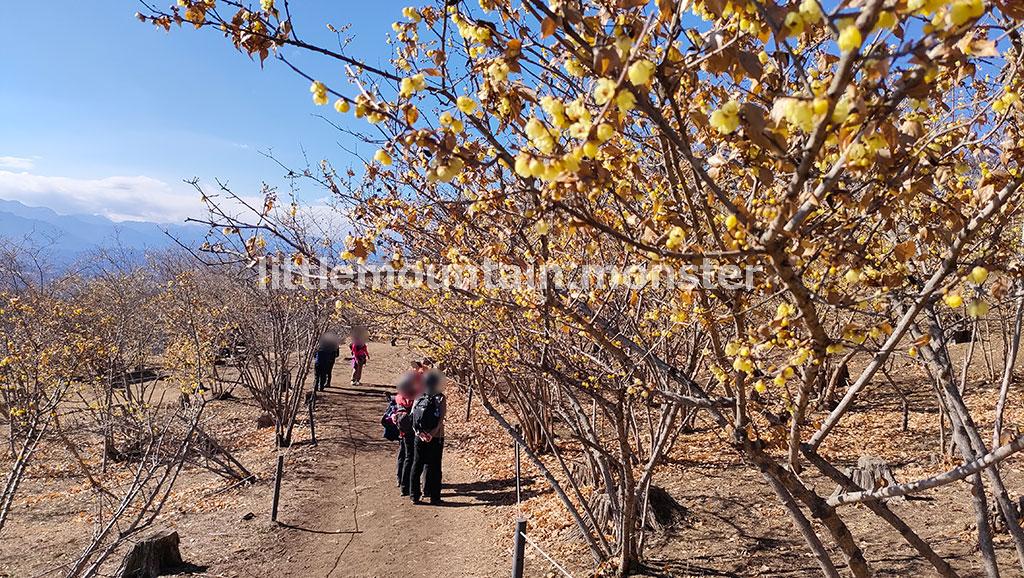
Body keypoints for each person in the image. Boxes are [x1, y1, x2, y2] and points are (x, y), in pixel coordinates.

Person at [410, 371, 446, 505]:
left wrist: (419, 433)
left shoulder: (419, 396)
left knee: (417, 464)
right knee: (435, 466)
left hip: (419, 437)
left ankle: (414, 495)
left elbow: (413, 416)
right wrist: (431, 433)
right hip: (436, 437)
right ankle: (434, 496)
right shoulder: (440, 397)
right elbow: (441, 419)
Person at [392, 375, 417, 495]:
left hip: (402, 431)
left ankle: (400, 480)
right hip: (412, 431)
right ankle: (408, 484)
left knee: (403, 456)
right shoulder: (415, 398)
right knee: (411, 457)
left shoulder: (398, 398)